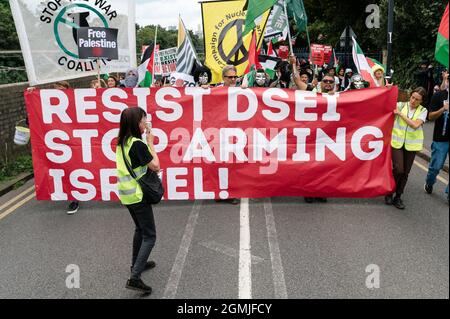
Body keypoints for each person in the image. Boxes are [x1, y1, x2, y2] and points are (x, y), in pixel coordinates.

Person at [116, 107, 160, 294]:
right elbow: (156, 166)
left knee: (140, 229)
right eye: (143, 120)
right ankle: (134, 278)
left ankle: (136, 264)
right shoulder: (138, 144)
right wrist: (151, 142)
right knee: (150, 235)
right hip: (138, 195)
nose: (146, 123)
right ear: (136, 123)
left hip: (126, 194)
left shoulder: (123, 142)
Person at [27, 81, 80, 214]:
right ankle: (73, 198)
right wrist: (32, 96)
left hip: (77, 143)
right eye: (56, 89)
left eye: (62, 89)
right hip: (58, 145)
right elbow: (32, 119)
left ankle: (75, 197)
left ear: (68, 90)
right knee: (65, 172)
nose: (59, 92)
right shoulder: (48, 104)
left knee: (76, 171)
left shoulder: (76, 102)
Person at [385, 87, 428, 209]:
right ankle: (389, 192)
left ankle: (398, 197)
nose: (413, 101)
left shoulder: (423, 110)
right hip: (397, 143)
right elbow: (386, 102)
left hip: (412, 145)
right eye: (413, 97)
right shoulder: (401, 105)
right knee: (398, 169)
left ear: (421, 101)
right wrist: (387, 90)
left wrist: (400, 114)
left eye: (417, 99)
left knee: (405, 173)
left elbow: (415, 125)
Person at [424, 75, 449, 202]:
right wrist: (443, 109)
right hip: (441, 138)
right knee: (436, 166)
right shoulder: (439, 96)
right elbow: (430, 116)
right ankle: (429, 182)